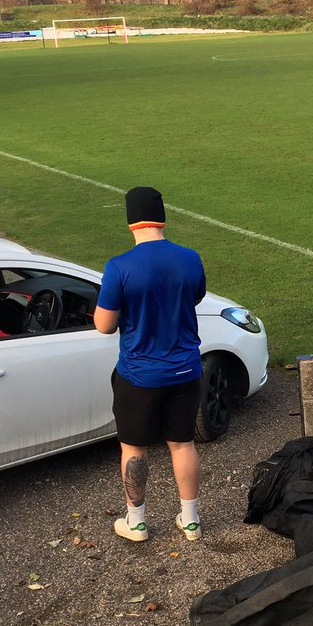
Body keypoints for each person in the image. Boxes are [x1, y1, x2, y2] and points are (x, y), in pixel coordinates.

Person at [94, 186, 206, 544]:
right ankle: (190, 522)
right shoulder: (190, 258)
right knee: (183, 443)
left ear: (130, 223)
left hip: (140, 375)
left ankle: (137, 523)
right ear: (162, 218)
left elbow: (104, 325)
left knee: (134, 448)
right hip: (186, 370)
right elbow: (196, 296)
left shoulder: (119, 267)